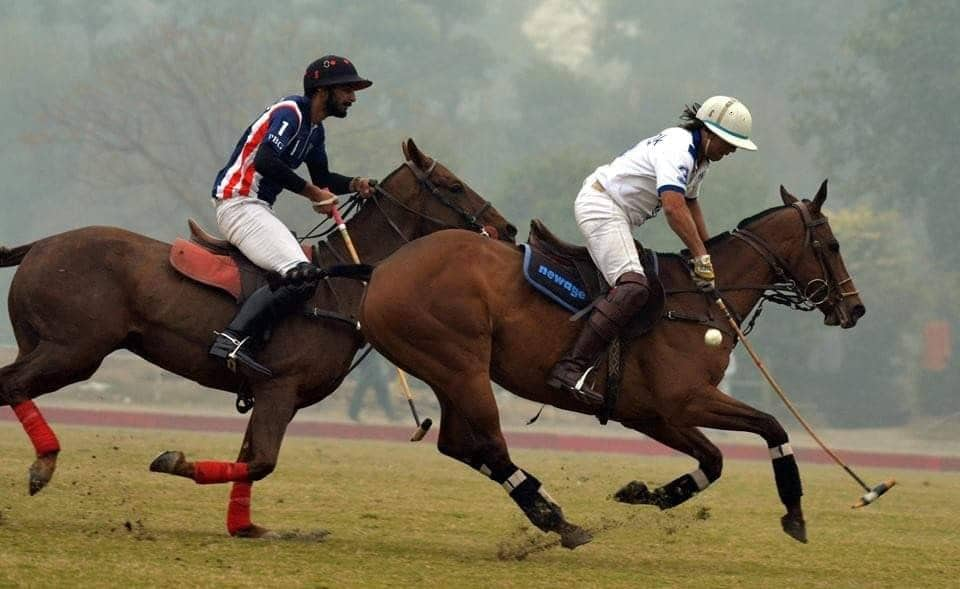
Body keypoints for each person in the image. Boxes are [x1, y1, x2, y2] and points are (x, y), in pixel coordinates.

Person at [547, 96, 757, 404]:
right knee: (633, 285)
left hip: (619, 215)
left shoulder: (700, 160)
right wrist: (699, 256)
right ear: (709, 133)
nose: (733, 149)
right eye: (729, 141)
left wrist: (710, 253)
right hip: (603, 206)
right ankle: (570, 368)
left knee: (647, 287)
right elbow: (673, 207)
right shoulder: (679, 148)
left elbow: (691, 203)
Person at [208, 55, 376, 377]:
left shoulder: (315, 132)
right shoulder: (291, 112)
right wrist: (313, 194)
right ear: (322, 90)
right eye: (347, 89)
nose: (353, 98)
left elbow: (323, 180)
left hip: (257, 208)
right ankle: (230, 340)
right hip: (238, 203)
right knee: (301, 275)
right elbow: (267, 162)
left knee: (300, 275)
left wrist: (356, 184)